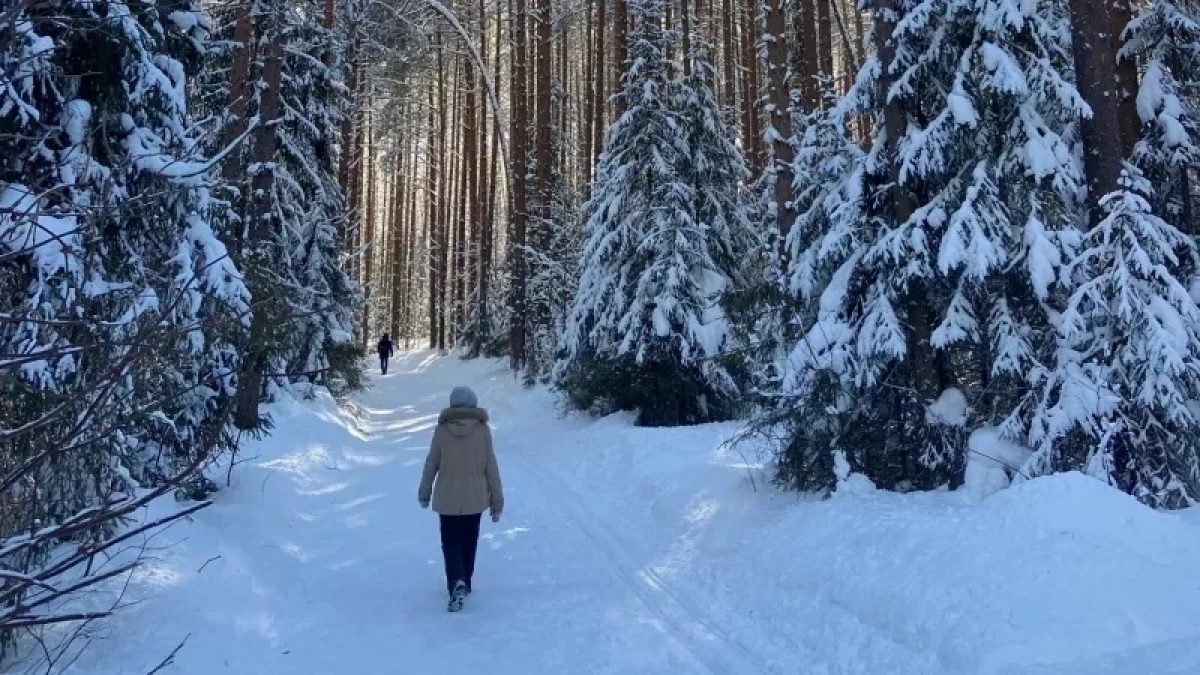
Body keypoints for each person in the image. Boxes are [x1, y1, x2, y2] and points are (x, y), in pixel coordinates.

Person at [418, 386, 504, 612]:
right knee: (469, 540)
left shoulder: (442, 430)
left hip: (447, 497)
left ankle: (455, 580)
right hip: (475, 498)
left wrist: (424, 492)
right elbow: (491, 466)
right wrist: (497, 501)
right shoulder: (483, 430)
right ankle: (466, 581)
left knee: (450, 541)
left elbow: (431, 463)